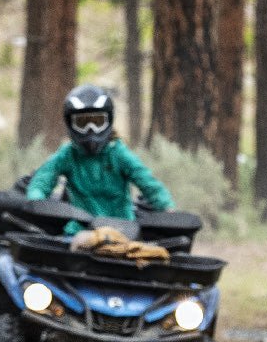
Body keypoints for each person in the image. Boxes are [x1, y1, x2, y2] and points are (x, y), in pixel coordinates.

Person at [27, 84, 175, 235]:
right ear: (70, 123)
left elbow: (149, 184)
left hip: (122, 234)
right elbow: (42, 180)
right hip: (78, 234)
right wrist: (36, 201)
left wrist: (168, 209)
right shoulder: (67, 155)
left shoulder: (119, 154)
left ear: (109, 120)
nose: (90, 129)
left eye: (97, 122)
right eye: (82, 123)